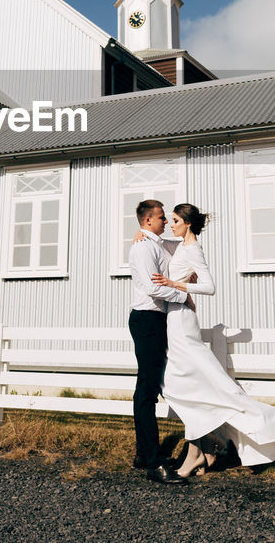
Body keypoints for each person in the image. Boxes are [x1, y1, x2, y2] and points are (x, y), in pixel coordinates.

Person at [145, 202, 275, 477]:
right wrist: (141, 234)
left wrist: (176, 285)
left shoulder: (194, 248)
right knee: (181, 386)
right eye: (169, 220)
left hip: (183, 321)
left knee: (185, 386)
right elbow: (157, 242)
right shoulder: (181, 246)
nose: (170, 224)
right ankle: (208, 446)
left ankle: (208, 448)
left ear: (186, 223)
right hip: (173, 319)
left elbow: (209, 287)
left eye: (174, 220)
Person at [127, 198, 190, 485]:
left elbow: (188, 243)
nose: (166, 221)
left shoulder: (158, 244)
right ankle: (154, 463)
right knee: (148, 389)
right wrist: (183, 296)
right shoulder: (143, 247)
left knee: (148, 386)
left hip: (157, 321)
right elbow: (153, 287)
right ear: (148, 220)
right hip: (147, 319)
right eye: (162, 218)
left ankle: (143, 453)